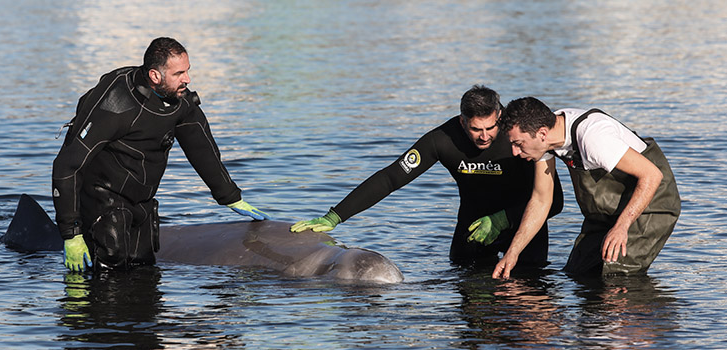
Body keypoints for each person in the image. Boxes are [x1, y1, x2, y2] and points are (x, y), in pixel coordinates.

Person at [52, 37, 269, 272]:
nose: (187, 79)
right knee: (107, 283)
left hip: (142, 203)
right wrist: (71, 233)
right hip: (101, 203)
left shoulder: (180, 100)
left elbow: (202, 149)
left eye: (187, 71)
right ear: (155, 76)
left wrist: (229, 195)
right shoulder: (116, 103)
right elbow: (67, 166)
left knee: (145, 278)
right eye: (179, 74)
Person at [291, 85, 563, 269]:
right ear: (461, 122)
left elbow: (556, 201)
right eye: (475, 129)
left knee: (528, 301)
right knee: (470, 311)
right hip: (471, 228)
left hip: (524, 226)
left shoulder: (520, 140)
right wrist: (336, 216)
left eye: (491, 128)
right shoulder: (442, 140)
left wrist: (503, 219)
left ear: (500, 117)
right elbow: (391, 178)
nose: (484, 136)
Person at [493, 97, 680, 279]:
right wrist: (512, 253)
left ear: (542, 133)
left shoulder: (594, 137)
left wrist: (621, 227)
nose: (514, 152)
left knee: (616, 275)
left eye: (518, 144)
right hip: (607, 211)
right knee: (578, 273)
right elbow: (541, 200)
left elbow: (652, 175)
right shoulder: (547, 139)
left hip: (651, 204)